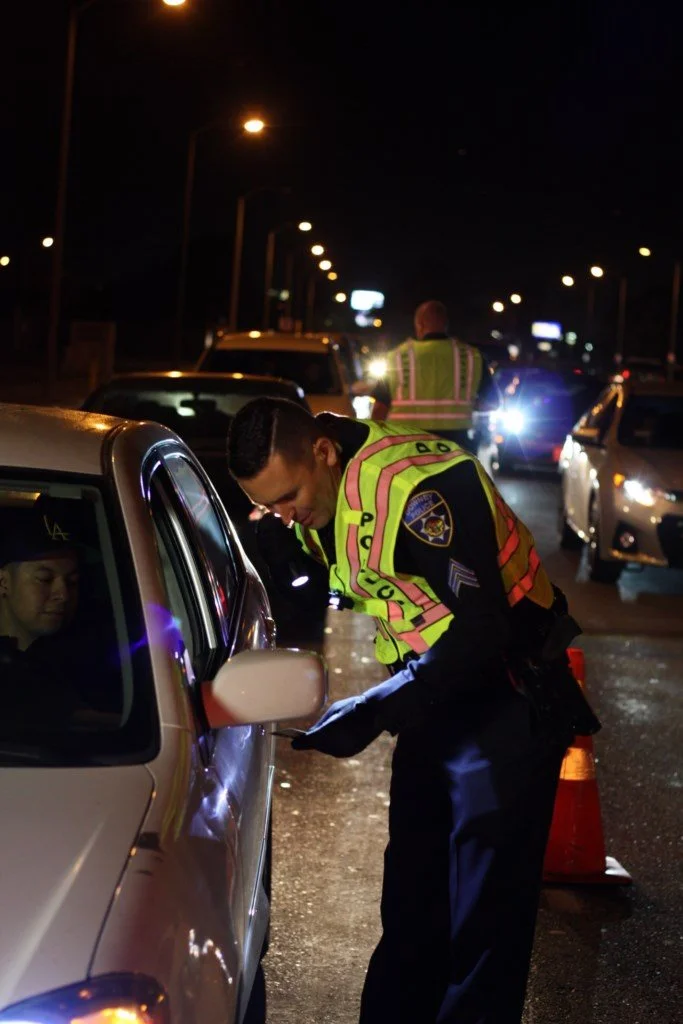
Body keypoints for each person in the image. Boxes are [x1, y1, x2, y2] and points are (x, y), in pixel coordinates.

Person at [226, 398, 600, 1024]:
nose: (288, 516)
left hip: (505, 704)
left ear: (322, 450)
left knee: (483, 928)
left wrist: (376, 708)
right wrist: (278, 544)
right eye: (271, 506)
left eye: (289, 498)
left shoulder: (422, 489)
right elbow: (357, 573)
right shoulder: (324, 490)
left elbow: (483, 628)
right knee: (412, 904)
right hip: (435, 702)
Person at [371, 299, 500, 452]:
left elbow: (380, 409)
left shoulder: (396, 357)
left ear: (419, 324)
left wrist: (373, 443)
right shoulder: (472, 356)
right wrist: (464, 404)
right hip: (455, 446)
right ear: (446, 324)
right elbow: (492, 403)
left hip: (405, 445)